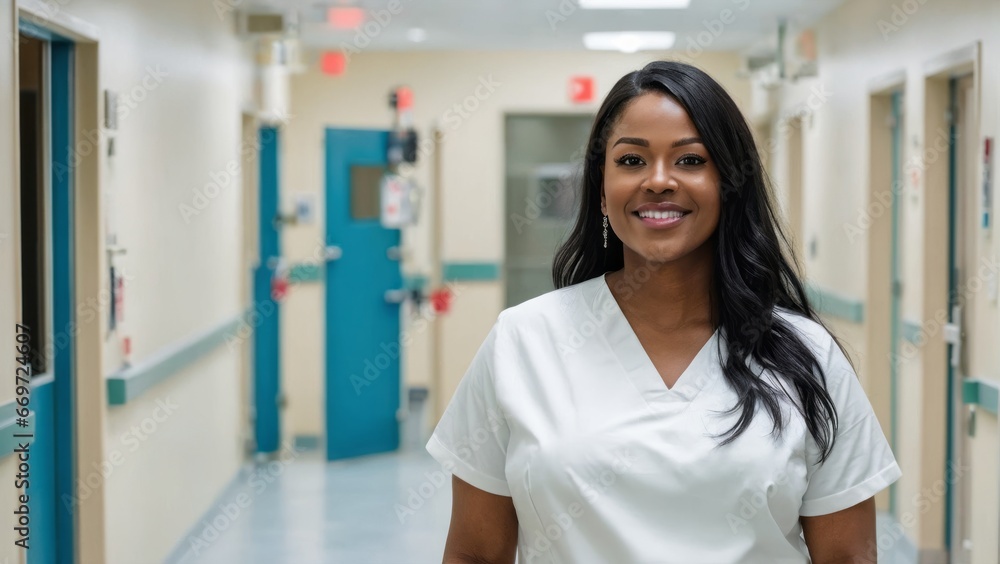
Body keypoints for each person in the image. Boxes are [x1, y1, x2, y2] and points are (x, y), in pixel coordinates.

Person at [425, 60, 900, 564]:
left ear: (729, 184)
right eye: (631, 161)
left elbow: (849, 557)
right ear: (602, 190)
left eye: (690, 161)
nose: (658, 181)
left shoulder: (806, 355)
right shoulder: (523, 341)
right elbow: (474, 554)